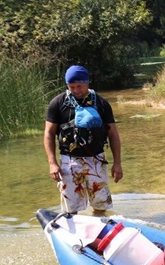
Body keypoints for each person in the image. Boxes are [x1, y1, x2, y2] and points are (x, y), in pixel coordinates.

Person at [44, 65, 123, 216]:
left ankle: (98, 229)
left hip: (97, 159)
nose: (76, 90)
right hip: (69, 161)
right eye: (71, 86)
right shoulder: (58, 103)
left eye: (79, 86)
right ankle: (75, 234)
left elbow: (113, 133)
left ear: (88, 83)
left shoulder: (101, 103)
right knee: (71, 208)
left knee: (101, 203)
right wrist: (52, 163)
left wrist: (117, 163)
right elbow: (48, 133)